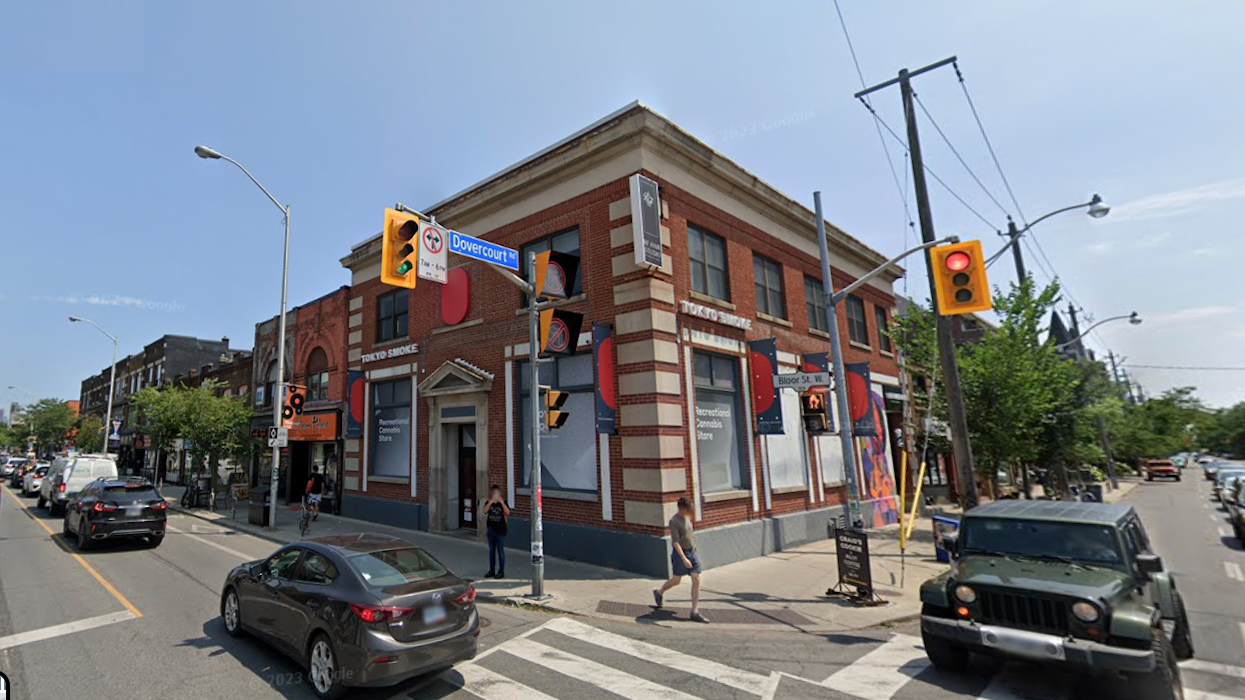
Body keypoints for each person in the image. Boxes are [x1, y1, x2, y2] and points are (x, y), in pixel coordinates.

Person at [653, 496, 709, 623]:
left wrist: (695, 549)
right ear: (682, 508)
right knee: (676, 580)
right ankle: (659, 592)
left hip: (692, 552)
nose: (690, 511)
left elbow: (690, 534)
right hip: (680, 554)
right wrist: (684, 558)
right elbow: (676, 543)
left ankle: (694, 611)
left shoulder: (687, 518)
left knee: (696, 578)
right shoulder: (674, 521)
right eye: (688, 509)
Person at [483, 485, 510, 579]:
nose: (495, 495)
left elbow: (507, 513)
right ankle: (491, 570)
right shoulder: (488, 502)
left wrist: (502, 503)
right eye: (494, 493)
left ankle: (501, 571)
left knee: (500, 551)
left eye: (497, 493)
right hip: (491, 529)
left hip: (501, 530)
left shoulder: (503, 502)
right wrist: (490, 502)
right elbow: (484, 511)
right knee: (492, 551)